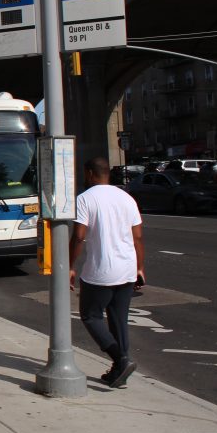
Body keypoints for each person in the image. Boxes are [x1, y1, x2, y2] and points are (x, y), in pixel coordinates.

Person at [69, 156, 145, 388]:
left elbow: (79, 236)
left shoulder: (85, 198)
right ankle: (119, 371)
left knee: (91, 316)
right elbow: (138, 237)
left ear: (90, 173)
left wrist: (70, 265)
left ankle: (120, 359)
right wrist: (140, 267)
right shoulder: (127, 198)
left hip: (100, 271)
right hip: (127, 268)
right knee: (119, 319)